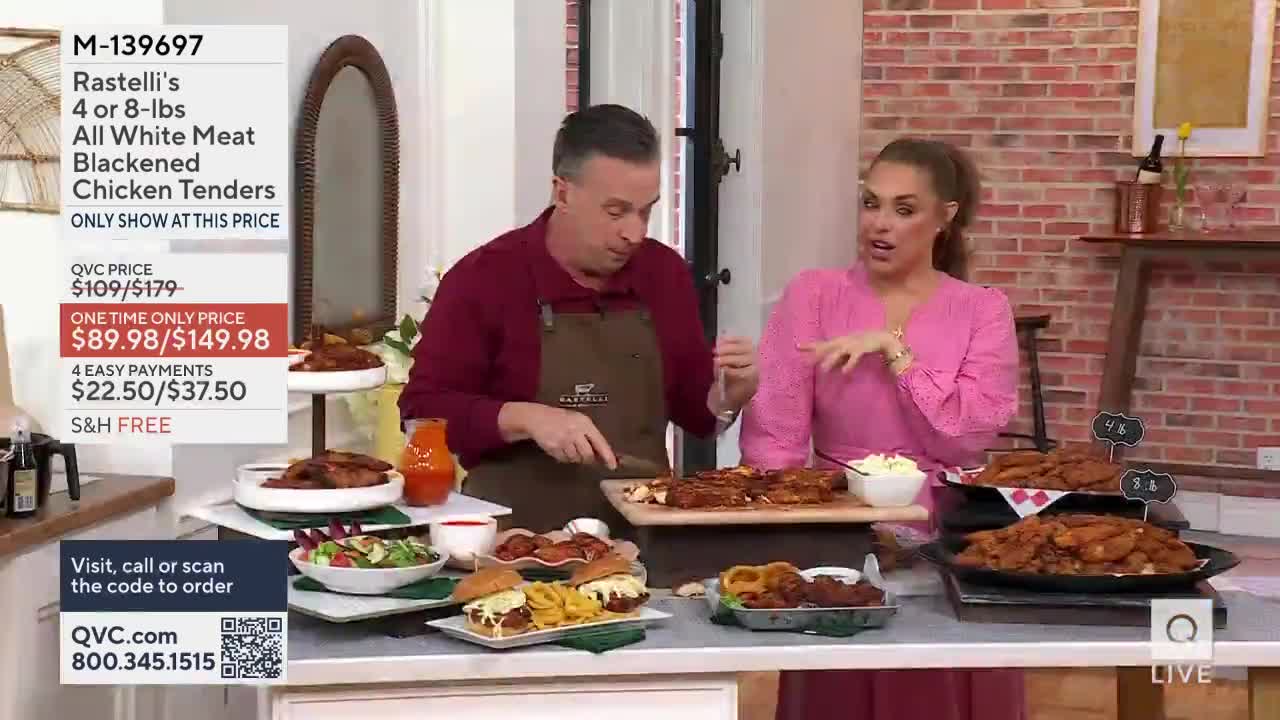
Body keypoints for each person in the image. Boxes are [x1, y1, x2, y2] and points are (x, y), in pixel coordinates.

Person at [738, 137, 1025, 720]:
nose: (879, 224)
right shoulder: (813, 295)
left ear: (944, 217)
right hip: (837, 531)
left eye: (904, 209)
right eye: (871, 203)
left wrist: (897, 356)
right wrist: (791, 535)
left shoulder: (983, 309)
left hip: (948, 535)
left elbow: (966, 437)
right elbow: (775, 433)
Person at [399, 103, 759, 531]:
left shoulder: (665, 275)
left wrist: (728, 396)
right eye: (616, 211)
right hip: (515, 544)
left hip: (643, 537)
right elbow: (421, 411)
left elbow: (697, 415)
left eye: (646, 210)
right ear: (563, 193)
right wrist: (527, 418)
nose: (634, 233)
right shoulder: (485, 279)